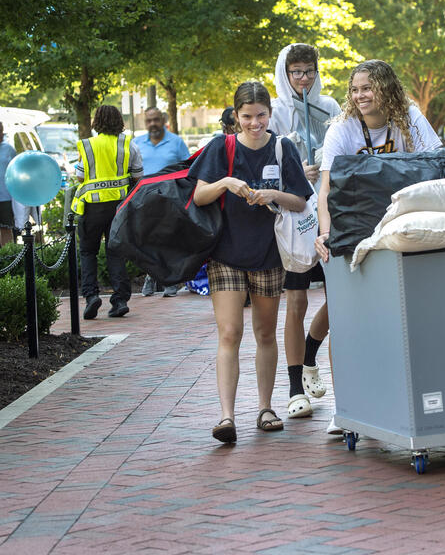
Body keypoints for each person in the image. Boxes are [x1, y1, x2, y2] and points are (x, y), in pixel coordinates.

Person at [315, 59, 442, 433]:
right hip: (354, 225)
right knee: (348, 319)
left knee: (405, 316)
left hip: (402, 225)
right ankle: (346, 409)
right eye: (354, 90)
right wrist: (325, 233)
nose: (360, 96)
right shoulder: (342, 129)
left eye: (367, 88)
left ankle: (403, 399)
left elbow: (436, 167)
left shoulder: (410, 118)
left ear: (385, 88)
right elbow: (326, 190)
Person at [189, 81, 312, 444]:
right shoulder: (220, 147)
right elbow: (198, 196)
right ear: (235, 116)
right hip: (225, 253)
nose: (254, 123)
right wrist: (227, 182)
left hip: (269, 254)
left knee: (263, 333)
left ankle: (264, 407)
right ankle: (226, 416)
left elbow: (302, 201)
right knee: (229, 332)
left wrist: (273, 194)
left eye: (261, 116)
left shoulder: (282, 147)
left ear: (270, 114)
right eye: (246, 117)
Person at [269, 43, 341, 421]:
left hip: (329, 215)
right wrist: (298, 171)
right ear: (285, 73)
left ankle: (312, 352)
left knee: (339, 298)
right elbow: (269, 162)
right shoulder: (277, 112)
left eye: (309, 71)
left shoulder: (330, 107)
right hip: (297, 220)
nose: (303, 78)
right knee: (295, 303)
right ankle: (296, 387)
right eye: (295, 71)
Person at [72, 105, 143, 319]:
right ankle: (120, 300)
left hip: (92, 208)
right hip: (119, 208)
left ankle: (91, 296)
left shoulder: (88, 146)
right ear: (119, 121)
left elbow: (79, 176)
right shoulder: (128, 144)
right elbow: (139, 176)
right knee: (115, 252)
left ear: (96, 122)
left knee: (88, 252)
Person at [134, 107, 191, 297]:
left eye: (156, 120)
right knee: (148, 241)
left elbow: (188, 168)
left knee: (168, 240)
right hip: (144, 199)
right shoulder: (136, 143)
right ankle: (151, 276)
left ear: (163, 119)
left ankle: (170, 282)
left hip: (171, 199)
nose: (153, 124)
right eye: (149, 121)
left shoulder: (176, 143)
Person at [0, 123, 17, 246]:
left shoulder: (9, 149)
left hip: (6, 196)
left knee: (6, 228)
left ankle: (9, 257)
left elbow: (17, 171)